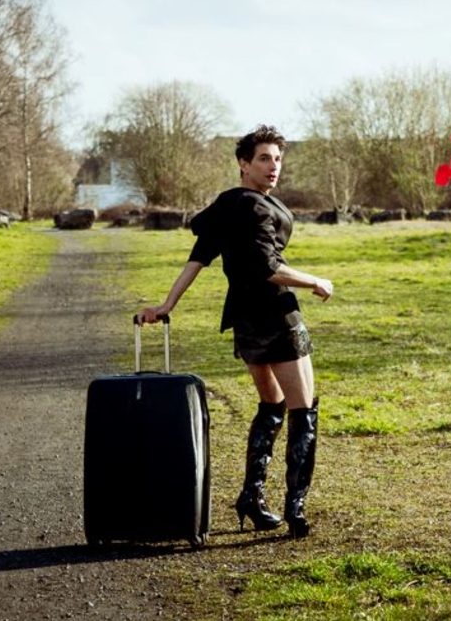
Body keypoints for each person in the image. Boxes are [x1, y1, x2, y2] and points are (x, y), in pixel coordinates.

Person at [137, 125, 333, 539]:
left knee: (271, 406)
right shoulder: (255, 206)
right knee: (303, 411)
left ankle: (251, 497)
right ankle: (295, 508)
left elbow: (197, 260)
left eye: (277, 159)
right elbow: (269, 268)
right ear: (244, 164)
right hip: (277, 318)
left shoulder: (225, 205)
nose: (273, 166)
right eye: (263, 158)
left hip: (244, 322)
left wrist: (167, 305)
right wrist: (315, 280)